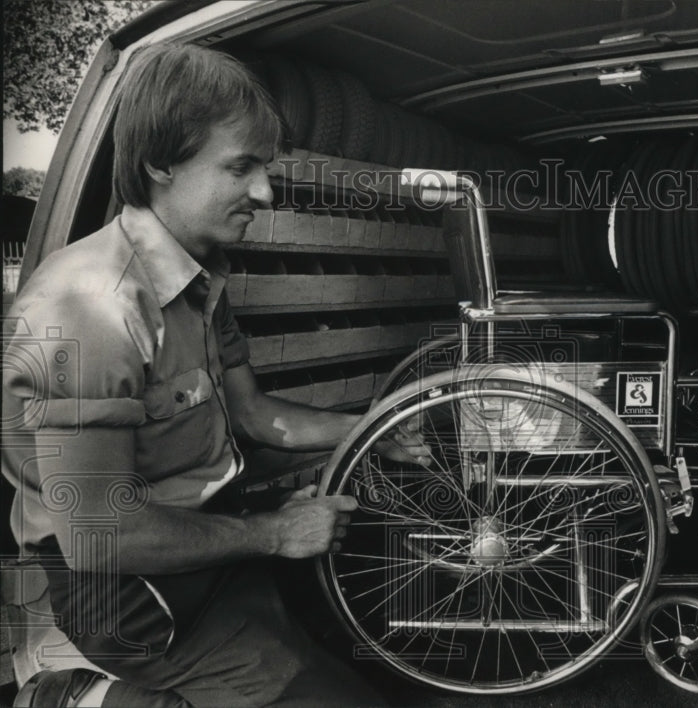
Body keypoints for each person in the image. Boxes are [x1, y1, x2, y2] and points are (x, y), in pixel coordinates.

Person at [2, 42, 428, 707]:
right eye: (241, 167)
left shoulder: (198, 279)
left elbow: (256, 415)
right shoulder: (86, 312)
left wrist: (374, 429)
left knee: (379, 628)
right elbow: (102, 538)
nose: (263, 190)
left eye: (265, 166)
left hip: (208, 544)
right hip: (127, 598)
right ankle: (77, 698)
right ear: (160, 165)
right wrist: (277, 534)